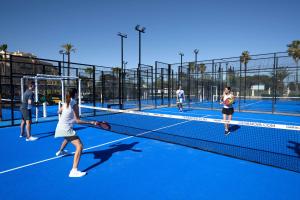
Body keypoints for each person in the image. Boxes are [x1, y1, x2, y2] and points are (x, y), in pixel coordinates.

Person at [55, 88, 97, 178]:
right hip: (65, 128)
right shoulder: (74, 104)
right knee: (79, 146)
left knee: (68, 138)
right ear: (75, 94)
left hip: (60, 127)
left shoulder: (66, 102)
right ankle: (73, 171)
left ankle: (60, 151)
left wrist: (65, 115)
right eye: (78, 93)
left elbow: (58, 111)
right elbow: (77, 121)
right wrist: (91, 122)